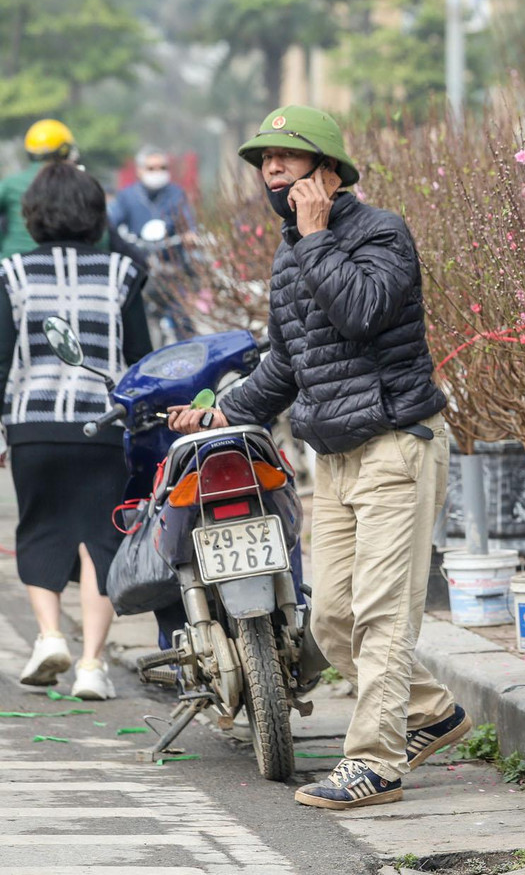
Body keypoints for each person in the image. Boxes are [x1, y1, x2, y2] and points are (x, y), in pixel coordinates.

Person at [168, 105, 470, 810]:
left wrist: (312, 236)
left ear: (328, 170)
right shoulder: (290, 253)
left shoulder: (381, 233)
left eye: (286, 156)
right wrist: (224, 409)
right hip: (332, 456)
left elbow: (361, 310)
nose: (271, 170)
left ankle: (375, 764)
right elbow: (288, 363)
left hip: (398, 444)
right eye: (263, 160)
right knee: (330, 617)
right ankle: (432, 713)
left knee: (381, 614)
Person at [5, 162, 152, 699]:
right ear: (96, 214)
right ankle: (91, 665)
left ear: (34, 214)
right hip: (103, 428)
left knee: (40, 530)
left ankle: (48, 637)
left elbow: (1, 360)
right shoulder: (122, 273)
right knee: (100, 541)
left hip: (32, 425)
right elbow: (139, 358)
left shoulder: (12, 274)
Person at [109, 146, 198, 341]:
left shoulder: (176, 194)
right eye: (151, 168)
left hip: (172, 268)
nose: (157, 172)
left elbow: (189, 223)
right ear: (140, 170)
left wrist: (191, 236)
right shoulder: (126, 197)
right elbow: (112, 226)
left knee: (183, 320)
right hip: (141, 269)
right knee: (135, 322)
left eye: (162, 167)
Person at [0, 120, 79, 257]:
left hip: (11, 262)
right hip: (58, 263)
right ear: (64, 150)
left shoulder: (10, 184)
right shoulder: (77, 183)